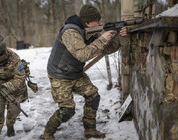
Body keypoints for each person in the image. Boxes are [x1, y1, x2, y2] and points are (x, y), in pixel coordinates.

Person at [44, 4, 127, 140]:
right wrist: (102, 39)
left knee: (93, 96)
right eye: (97, 20)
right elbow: (83, 55)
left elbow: (105, 49)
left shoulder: (88, 30)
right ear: (87, 22)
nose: (100, 23)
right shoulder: (70, 32)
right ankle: (48, 132)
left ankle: (90, 130)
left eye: (100, 20)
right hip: (60, 75)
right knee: (67, 111)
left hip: (75, 72)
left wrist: (119, 37)